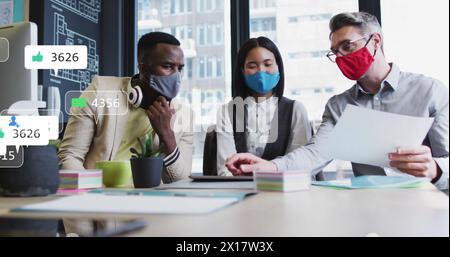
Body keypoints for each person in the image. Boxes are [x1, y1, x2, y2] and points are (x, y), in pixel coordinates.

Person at [225, 12, 449, 189]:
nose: (341, 56)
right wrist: (270, 166)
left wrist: (435, 168)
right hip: (370, 208)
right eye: (335, 52)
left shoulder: (429, 91)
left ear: (375, 41)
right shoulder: (339, 106)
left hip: (423, 203)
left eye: (347, 46)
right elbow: (315, 153)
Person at [58, 32, 193, 184]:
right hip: (98, 197)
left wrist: (167, 135)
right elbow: (69, 156)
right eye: (167, 66)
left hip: (153, 203)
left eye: (180, 68)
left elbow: (180, 180)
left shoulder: (184, 116)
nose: (176, 76)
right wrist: (91, 194)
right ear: (143, 68)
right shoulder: (98, 91)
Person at [216, 37, 312, 176]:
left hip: (285, 191)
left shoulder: (295, 109)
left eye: (268, 64)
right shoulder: (228, 111)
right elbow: (225, 169)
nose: (261, 71)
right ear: (242, 71)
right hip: (239, 190)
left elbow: (299, 164)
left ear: (278, 67)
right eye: (252, 66)